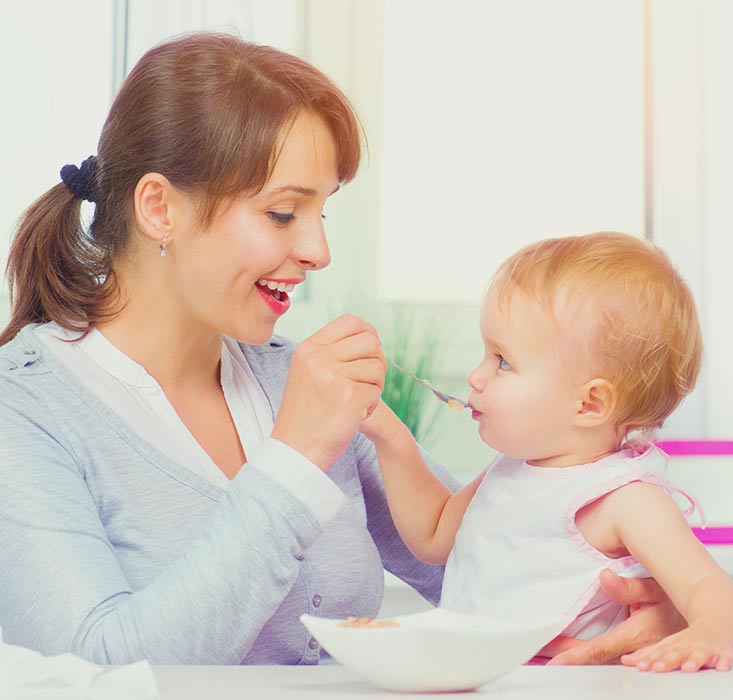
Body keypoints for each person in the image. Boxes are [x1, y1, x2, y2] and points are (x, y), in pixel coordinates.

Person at [0, 33, 684, 666]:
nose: (318, 251)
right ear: (159, 208)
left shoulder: (289, 380)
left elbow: (490, 560)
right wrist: (292, 459)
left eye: (321, 212)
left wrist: (635, 608)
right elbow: (94, 670)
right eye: (281, 213)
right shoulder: (25, 409)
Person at [360, 232, 733, 673]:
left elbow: (707, 585)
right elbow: (431, 536)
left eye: (502, 361)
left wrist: (710, 631)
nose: (475, 375)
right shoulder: (509, 472)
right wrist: (388, 435)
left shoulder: (623, 499)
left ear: (589, 404)